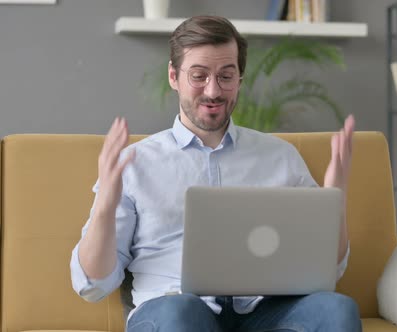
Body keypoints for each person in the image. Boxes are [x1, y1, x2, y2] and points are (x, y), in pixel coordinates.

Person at [70, 15, 361, 332]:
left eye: (226, 76)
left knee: (336, 309)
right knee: (181, 314)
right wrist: (105, 208)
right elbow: (92, 285)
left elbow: (330, 269)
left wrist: (336, 198)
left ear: (240, 79)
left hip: (265, 312)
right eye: (198, 76)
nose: (213, 90)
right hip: (175, 310)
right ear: (173, 76)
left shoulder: (282, 157)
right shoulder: (135, 163)